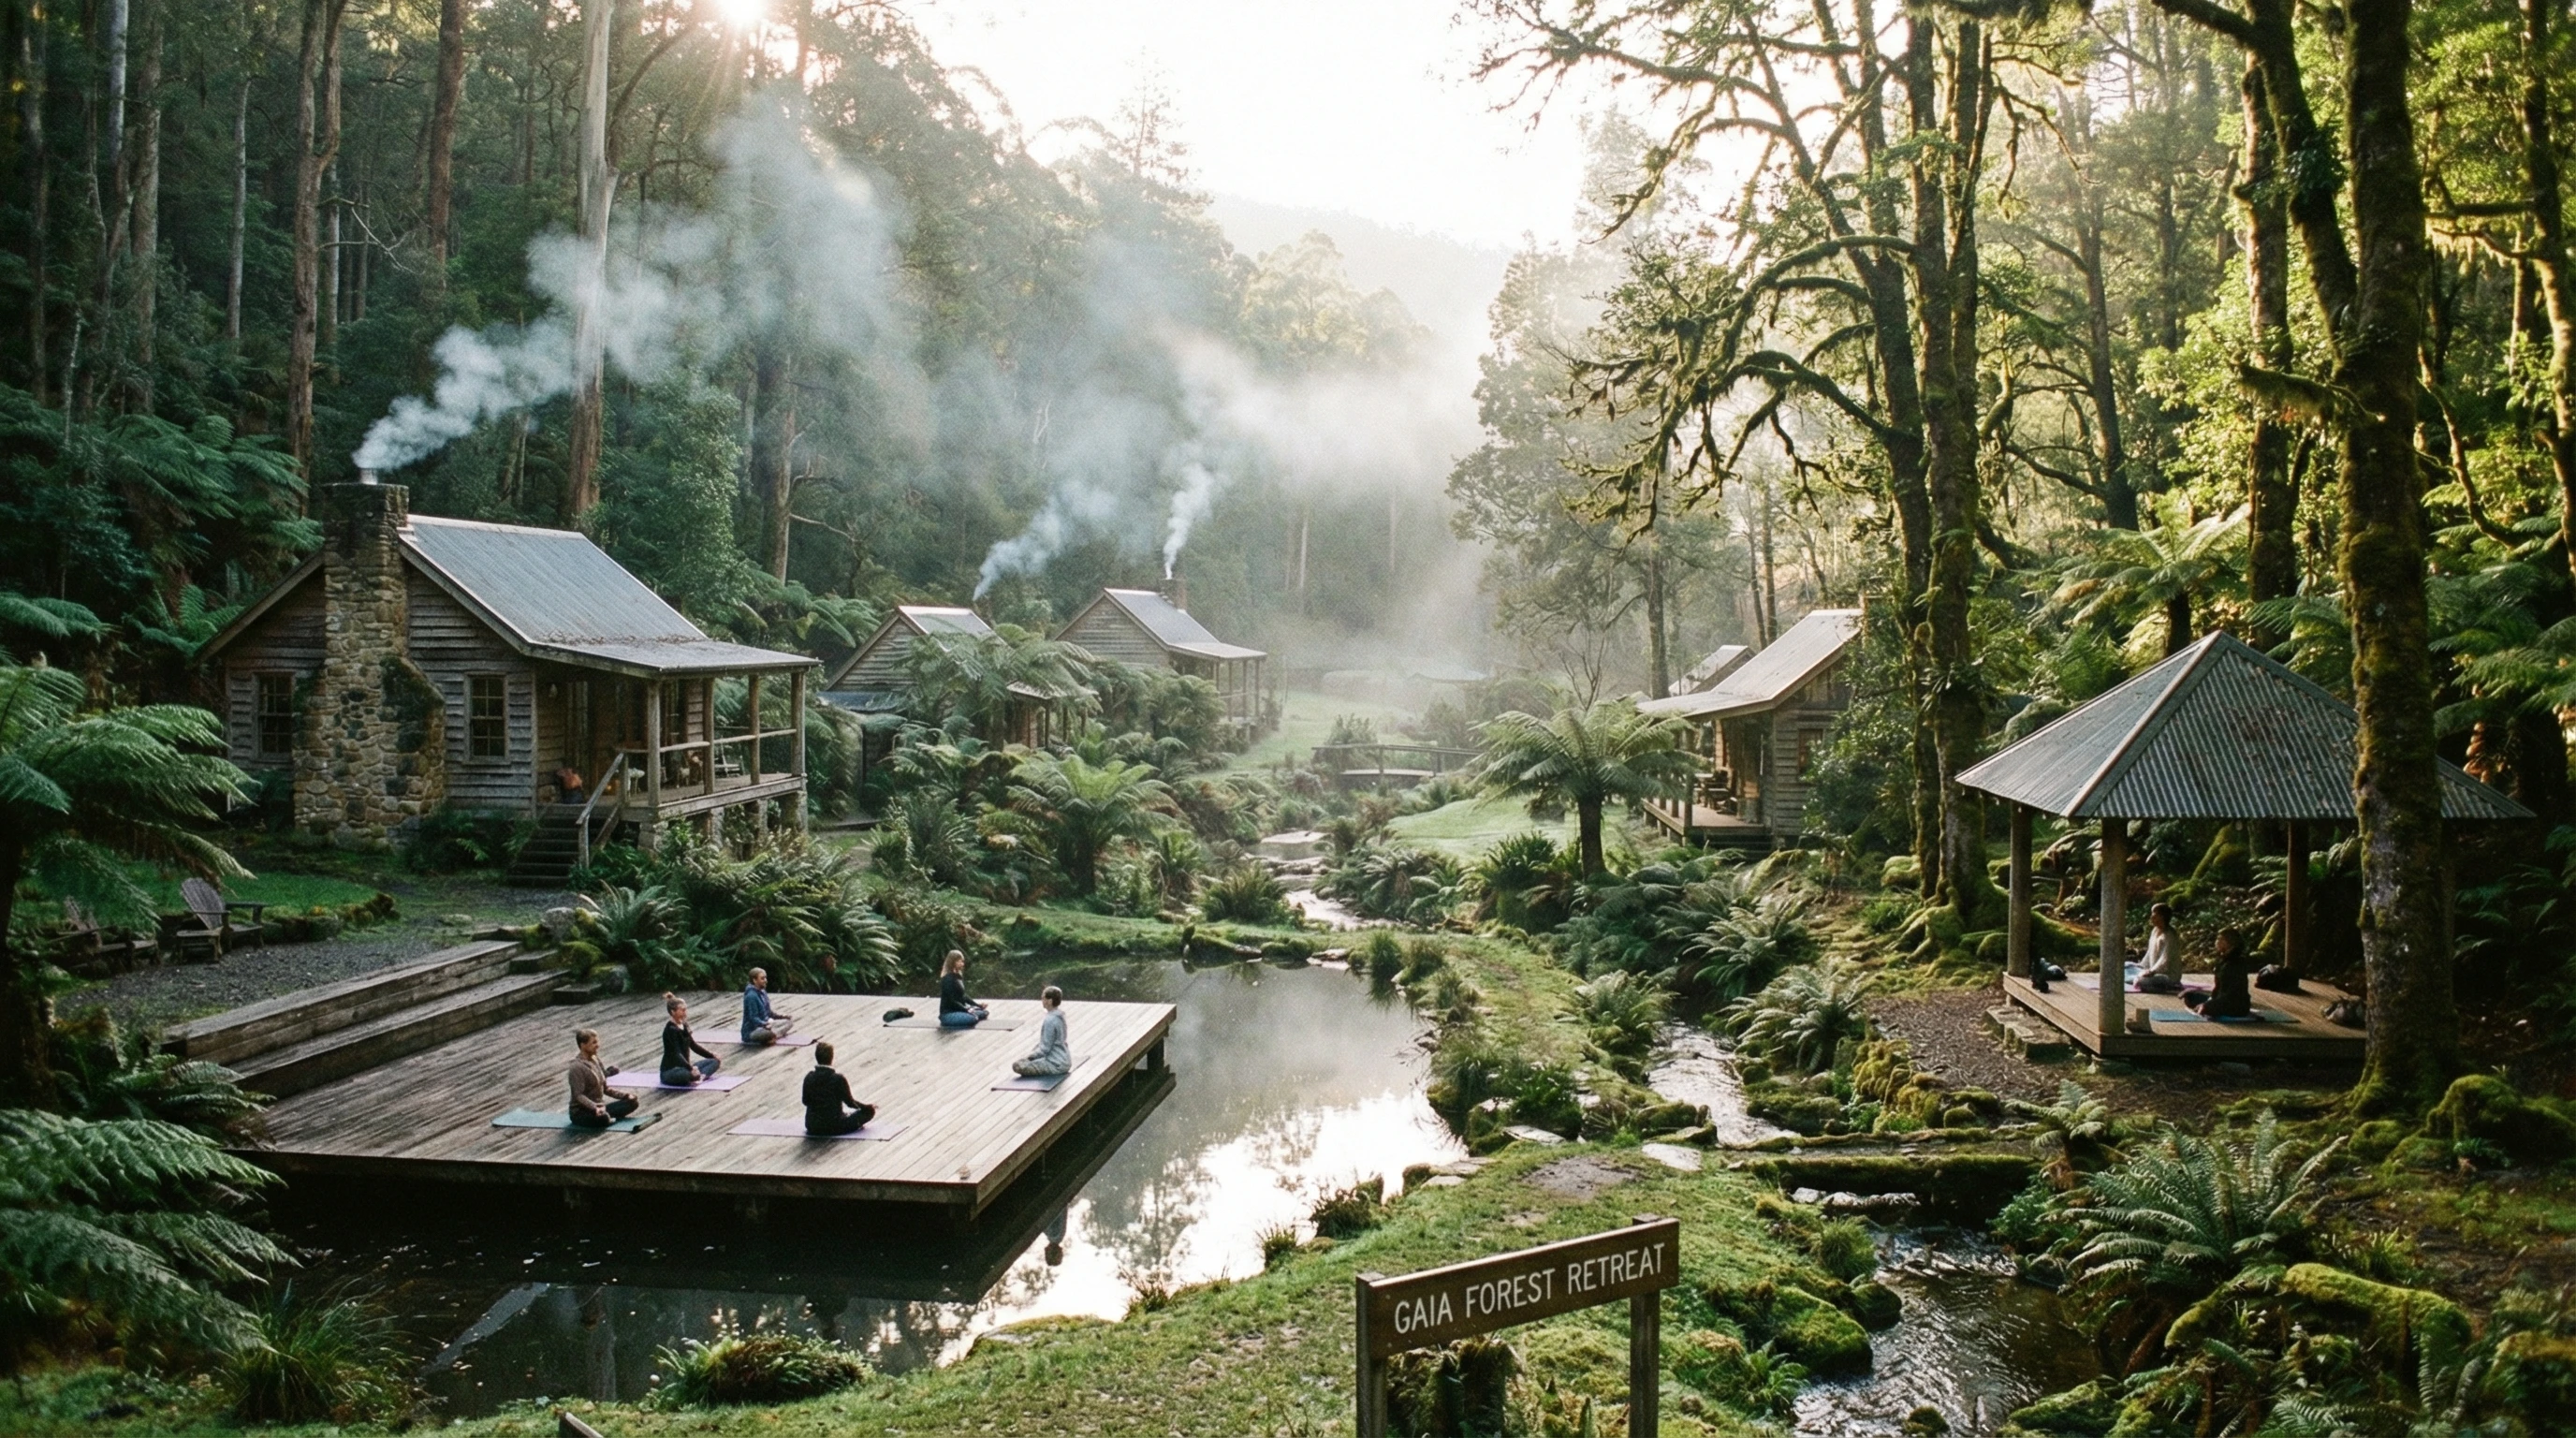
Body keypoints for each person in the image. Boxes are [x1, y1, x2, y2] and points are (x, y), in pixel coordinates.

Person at [566, 1027, 639, 1128]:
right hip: (581, 1113)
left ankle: (606, 1115)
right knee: (603, 1118)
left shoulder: (595, 1059)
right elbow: (578, 1096)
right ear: (583, 1045)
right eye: (594, 1043)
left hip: (600, 1107)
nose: (598, 1046)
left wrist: (625, 1095)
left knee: (632, 1103)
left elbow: (606, 1089)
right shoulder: (576, 1068)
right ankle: (605, 1117)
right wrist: (595, 1107)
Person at [801, 1041, 875, 1136]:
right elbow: (850, 1103)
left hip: (812, 1125)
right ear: (831, 1057)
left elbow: (805, 1101)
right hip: (834, 1126)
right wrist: (867, 1107)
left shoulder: (809, 1077)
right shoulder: (838, 1079)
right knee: (869, 1112)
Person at [2185, 929, 2255, 1019]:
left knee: (2207, 1008)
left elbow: (2230, 994)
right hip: (2220, 999)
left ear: (2229, 943)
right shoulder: (2223, 960)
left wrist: (2208, 1005)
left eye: (2220, 939)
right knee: (2190, 997)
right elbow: (2218, 989)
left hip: (2234, 1003)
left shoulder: (2236, 963)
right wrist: (2210, 1000)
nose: (2216, 942)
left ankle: (2208, 1007)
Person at [660, 992, 722, 1085]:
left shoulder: (684, 1025)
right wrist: (691, 1068)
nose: (685, 1013)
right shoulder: (670, 1030)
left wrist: (711, 1055)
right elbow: (677, 1054)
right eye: (682, 1010)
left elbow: (693, 1045)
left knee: (715, 1062)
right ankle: (695, 1076)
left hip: (685, 1067)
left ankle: (699, 1076)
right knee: (687, 1074)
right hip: (671, 1071)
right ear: (673, 1012)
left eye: (685, 1010)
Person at [1014, 986, 1072, 1077]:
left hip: (1055, 1064)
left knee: (1017, 1066)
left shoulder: (1050, 1020)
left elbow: (1045, 1049)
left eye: (1043, 998)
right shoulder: (1060, 1016)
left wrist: (1028, 1057)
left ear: (1050, 1001)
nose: (1042, 1001)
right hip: (1065, 1060)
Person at [2135, 902, 2184, 994]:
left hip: (2168, 976)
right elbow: (2149, 953)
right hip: (2152, 972)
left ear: (2161, 916)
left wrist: (2152, 971)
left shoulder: (2170, 935)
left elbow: (2165, 959)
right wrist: (2141, 966)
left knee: (2140, 981)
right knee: (2126, 967)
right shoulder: (2155, 931)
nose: (2151, 917)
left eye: (2154, 914)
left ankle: (2169, 988)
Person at [740, 967, 795, 1045]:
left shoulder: (763, 992)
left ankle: (772, 1036)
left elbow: (769, 1012)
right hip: (753, 1030)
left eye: (765, 978)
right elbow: (753, 1018)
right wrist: (764, 1024)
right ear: (754, 980)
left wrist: (782, 1016)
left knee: (789, 1022)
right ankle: (771, 1036)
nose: (765, 980)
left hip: (767, 1025)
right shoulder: (751, 996)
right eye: (762, 978)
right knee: (767, 1033)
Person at [938, 950, 988, 1029]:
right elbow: (952, 1001)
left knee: (984, 1013)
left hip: (959, 1010)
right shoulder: (947, 979)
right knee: (973, 1018)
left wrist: (978, 1005)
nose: (962, 964)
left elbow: (963, 996)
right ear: (953, 962)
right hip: (949, 1013)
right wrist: (966, 1009)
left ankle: (967, 1015)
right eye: (959, 961)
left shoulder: (957, 977)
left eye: (962, 961)